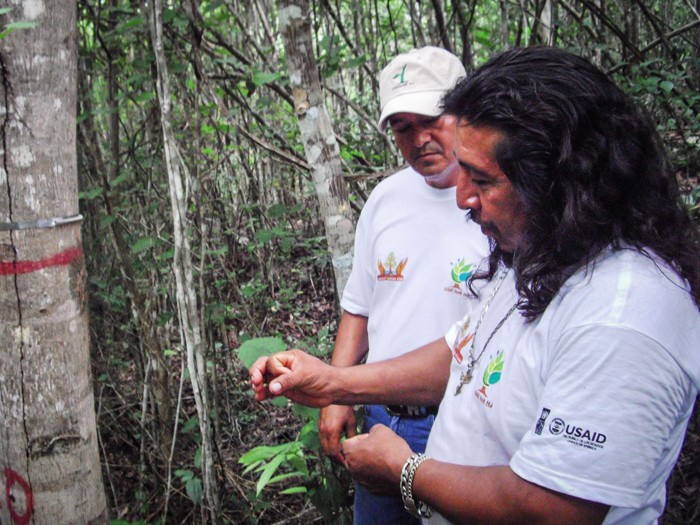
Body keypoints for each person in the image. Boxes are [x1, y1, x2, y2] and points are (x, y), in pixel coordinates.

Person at [250, 46, 700, 525]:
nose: (463, 197)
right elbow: (463, 353)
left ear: (560, 180)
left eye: (483, 181)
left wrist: (404, 470)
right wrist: (333, 383)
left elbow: (553, 510)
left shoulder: (623, 317)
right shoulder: (541, 254)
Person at [320, 46, 489, 524]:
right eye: (403, 127)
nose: (420, 139)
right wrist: (337, 397)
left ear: (465, 112)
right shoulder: (385, 200)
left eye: (433, 119)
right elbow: (360, 307)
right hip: (380, 419)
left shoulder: (500, 202)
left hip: (460, 425)